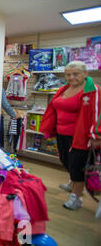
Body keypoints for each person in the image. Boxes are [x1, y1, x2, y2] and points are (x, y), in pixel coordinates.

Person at [40, 61, 101, 210]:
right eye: (68, 74)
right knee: (65, 160)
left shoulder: (92, 90)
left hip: (80, 136)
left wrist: (95, 135)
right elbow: (53, 108)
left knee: (77, 167)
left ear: (85, 74)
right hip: (62, 134)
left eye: (75, 74)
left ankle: (76, 198)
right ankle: (74, 183)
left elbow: (97, 113)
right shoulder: (63, 89)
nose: (71, 77)